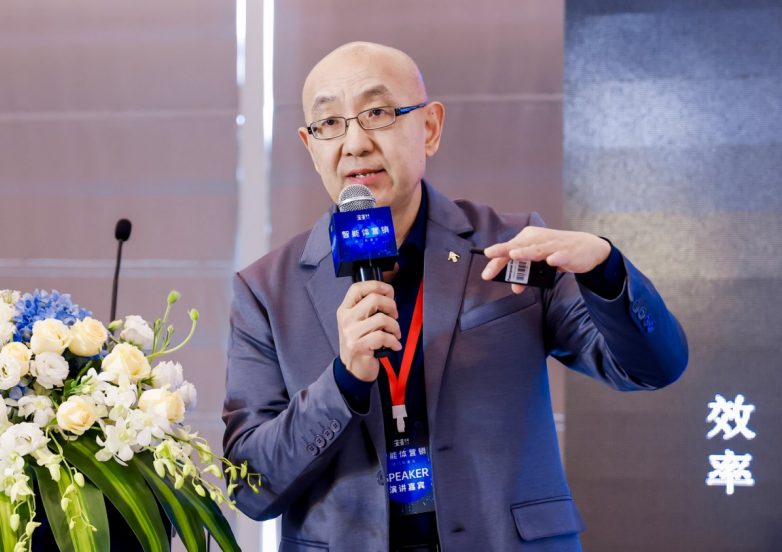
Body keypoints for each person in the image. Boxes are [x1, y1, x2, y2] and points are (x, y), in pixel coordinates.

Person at [222, 42, 688, 552]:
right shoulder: (265, 290)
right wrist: (343, 381)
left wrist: (605, 268)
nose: (354, 143)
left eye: (377, 113)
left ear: (430, 127)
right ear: (310, 147)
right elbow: (250, 487)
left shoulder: (512, 245)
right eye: (330, 123)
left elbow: (652, 367)